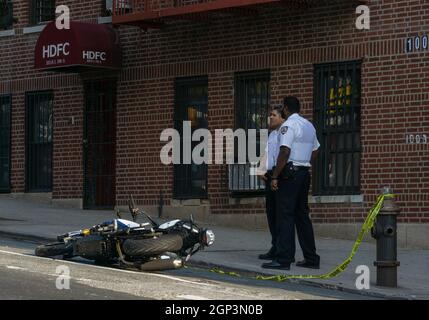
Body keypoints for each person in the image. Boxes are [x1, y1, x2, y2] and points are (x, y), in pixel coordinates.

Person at [262, 96, 320, 271]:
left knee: (285, 216)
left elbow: (285, 151)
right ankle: (311, 258)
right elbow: (316, 149)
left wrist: (275, 176)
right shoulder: (309, 125)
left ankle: (284, 259)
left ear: (286, 109)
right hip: (303, 173)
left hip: (289, 175)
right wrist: (305, 163)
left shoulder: (288, 126)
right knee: (302, 217)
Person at [257, 105, 286, 260]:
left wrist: (275, 175)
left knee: (280, 214)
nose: (270, 117)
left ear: (282, 117)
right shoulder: (272, 134)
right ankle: (275, 246)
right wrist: (261, 168)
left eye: (273, 115)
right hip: (270, 175)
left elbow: (283, 154)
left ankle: (282, 248)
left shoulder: (284, 132)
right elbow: (268, 152)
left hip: (279, 176)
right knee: (271, 213)